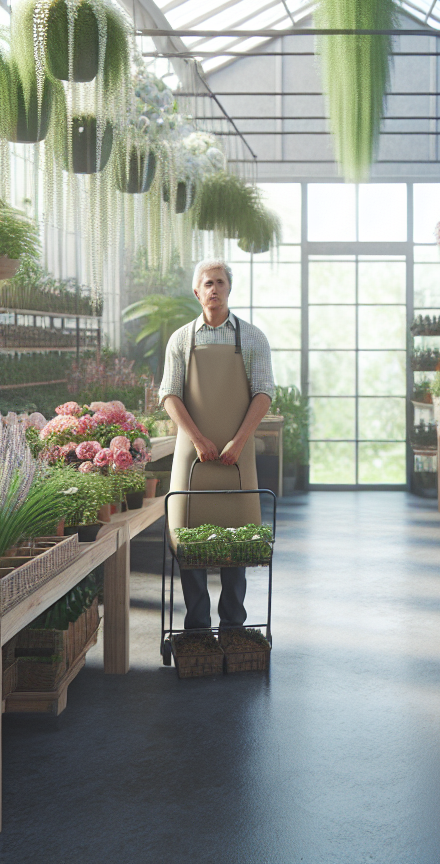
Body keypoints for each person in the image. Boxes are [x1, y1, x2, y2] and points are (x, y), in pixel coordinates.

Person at [159, 259, 275, 632]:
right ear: (197, 291)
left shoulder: (253, 338)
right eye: (207, 283)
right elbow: (169, 395)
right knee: (188, 536)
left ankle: (233, 625)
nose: (214, 289)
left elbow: (263, 393)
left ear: (229, 289)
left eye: (220, 282)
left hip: (236, 456)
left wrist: (238, 442)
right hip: (191, 454)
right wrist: (198, 439)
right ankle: (195, 627)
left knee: (235, 536)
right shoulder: (180, 340)